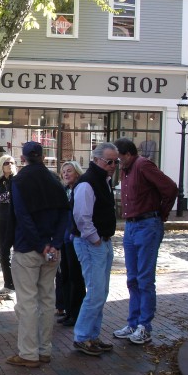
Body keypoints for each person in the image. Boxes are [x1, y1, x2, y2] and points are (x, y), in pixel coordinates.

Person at [7, 142, 70, 368]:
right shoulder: (54, 180)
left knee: (27, 302)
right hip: (51, 248)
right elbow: (65, 213)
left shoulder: (19, 181)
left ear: (23, 158)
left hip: (28, 248)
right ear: (42, 156)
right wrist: (54, 243)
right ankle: (44, 350)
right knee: (46, 299)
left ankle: (29, 353)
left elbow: (22, 217)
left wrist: (42, 244)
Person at [113, 138, 177, 345]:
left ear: (128, 154)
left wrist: (161, 214)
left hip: (147, 225)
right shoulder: (127, 169)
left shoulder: (143, 165)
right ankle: (133, 323)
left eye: (119, 158)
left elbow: (170, 188)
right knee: (132, 278)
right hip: (132, 226)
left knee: (144, 278)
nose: (117, 163)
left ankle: (144, 326)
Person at [71, 143, 118, 356]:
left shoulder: (103, 181)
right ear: (97, 160)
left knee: (101, 291)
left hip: (102, 241)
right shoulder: (88, 182)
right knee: (96, 291)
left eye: (116, 161)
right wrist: (95, 239)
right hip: (91, 243)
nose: (114, 165)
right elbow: (81, 216)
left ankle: (92, 336)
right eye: (110, 161)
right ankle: (82, 336)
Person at [57, 160, 85, 328]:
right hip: (64, 239)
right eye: (64, 172)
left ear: (77, 172)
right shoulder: (65, 191)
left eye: (69, 171)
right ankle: (68, 311)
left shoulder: (80, 190)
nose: (66, 174)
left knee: (76, 277)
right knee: (65, 276)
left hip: (75, 238)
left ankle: (77, 313)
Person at [0, 155, 17, 295]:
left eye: (12, 162)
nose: (10, 165)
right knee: (4, 252)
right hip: (2, 218)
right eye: (6, 163)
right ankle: (8, 284)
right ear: (1, 166)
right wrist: (9, 195)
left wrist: (7, 195)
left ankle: (19, 283)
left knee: (19, 251)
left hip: (16, 218)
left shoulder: (18, 181)